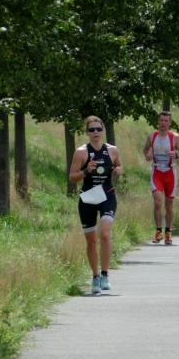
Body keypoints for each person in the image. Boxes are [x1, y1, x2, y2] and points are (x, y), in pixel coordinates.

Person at [69, 115, 123, 294]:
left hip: (107, 195)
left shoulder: (112, 150)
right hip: (88, 198)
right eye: (91, 130)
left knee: (105, 234)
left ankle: (105, 274)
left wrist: (118, 170)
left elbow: (119, 167)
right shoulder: (81, 152)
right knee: (91, 241)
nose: (95, 132)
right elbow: (72, 177)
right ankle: (95, 276)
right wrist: (86, 171)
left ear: (103, 131)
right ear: (87, 132)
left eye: (98, 129)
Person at [143, 111, 179, 244]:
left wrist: (176, 155)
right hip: (157, 171)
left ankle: (168, 232)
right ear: (158, 122)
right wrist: (148, 156)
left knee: (168, 204)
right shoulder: (152, 136)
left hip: (170, 173)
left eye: (166, 121)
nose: (163, 123)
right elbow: (145, 150)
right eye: (161, 120)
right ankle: (158, 232)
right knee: (157, 202)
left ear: (170, 123)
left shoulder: (175, 137)